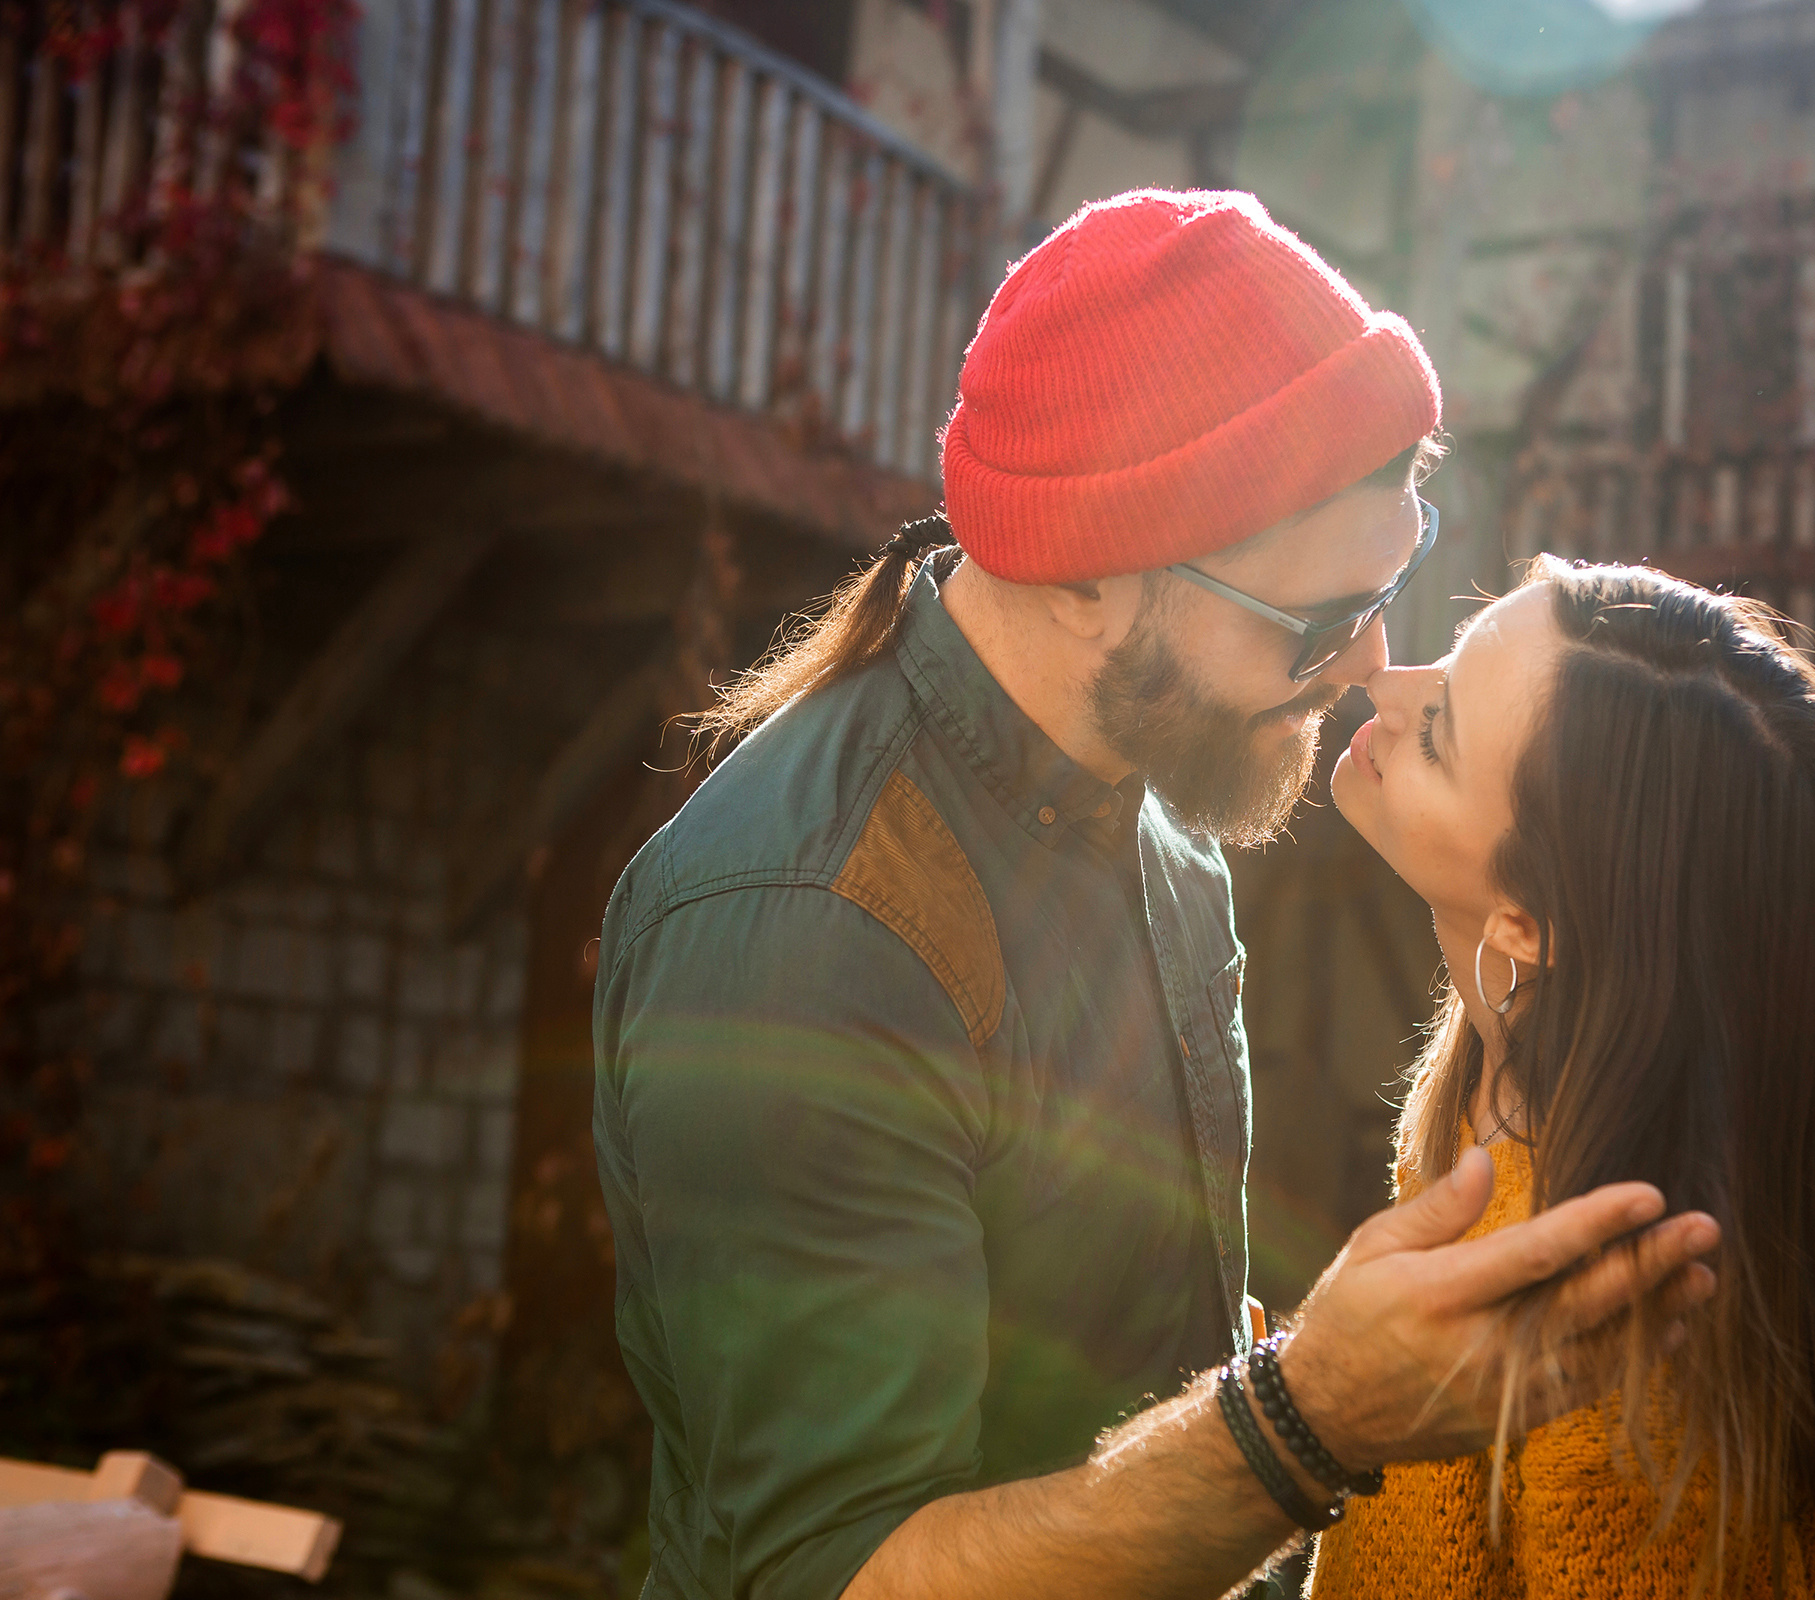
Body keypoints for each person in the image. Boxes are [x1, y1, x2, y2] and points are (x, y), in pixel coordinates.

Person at [589, 190, 1721, 1600]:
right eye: (1316, 620)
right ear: (1087, 580)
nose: (1369, 662)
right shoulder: (815, 933)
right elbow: (833, 1574)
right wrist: (1309, 1422)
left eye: (1394, 578)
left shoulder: (1163, 817)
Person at [1304, 559, 1815, 1598]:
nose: (1386, 683)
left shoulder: (1616, 1358)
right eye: (1448, 659)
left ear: (1526, 924)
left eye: (1440, 730)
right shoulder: (1492, 1107)